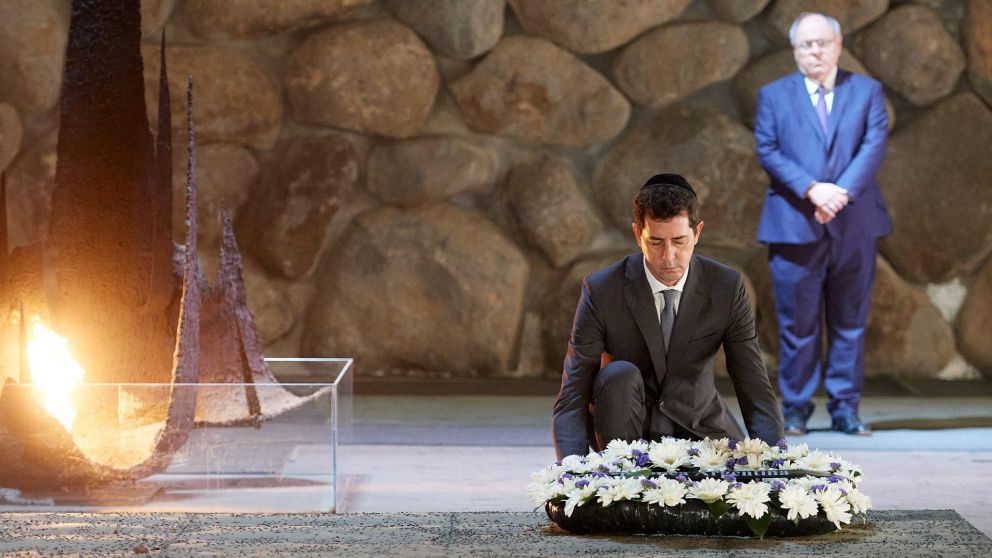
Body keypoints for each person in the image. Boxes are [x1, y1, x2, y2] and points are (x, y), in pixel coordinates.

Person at [551, 173, 783, 460]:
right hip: (625, 430)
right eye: (656, 242)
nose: (669, 256)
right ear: (638, 235)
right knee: (618, 373)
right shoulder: (602, 289)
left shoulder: (726, 286)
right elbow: (572, 393)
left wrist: (777, 460)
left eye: (680, 241)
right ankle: (622, 468)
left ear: (697, 233)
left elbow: (753, 383)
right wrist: (572, 468)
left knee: (747, 497)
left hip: (702, 427)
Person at [754, 12, 890, 436]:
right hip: (795, 223)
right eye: (805, 45)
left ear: (838, 44)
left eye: (821, 42)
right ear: (795, 51)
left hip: (854, 223)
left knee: (850, 320)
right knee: (797, 324)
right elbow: (768, 148)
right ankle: (795, 408)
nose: (814, 50)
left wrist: (840, 192)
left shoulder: (867, 91)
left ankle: (845, 408)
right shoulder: (773, 95)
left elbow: (873, 144)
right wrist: (814, 189)